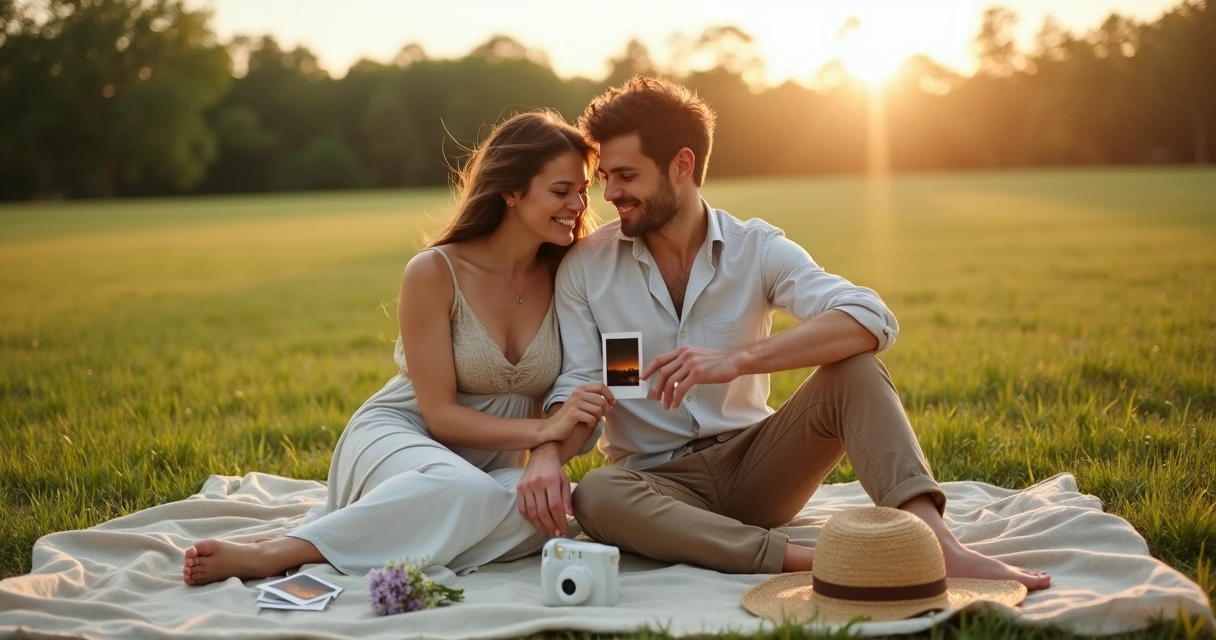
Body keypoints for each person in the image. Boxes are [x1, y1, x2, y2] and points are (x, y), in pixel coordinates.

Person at [534, 77, 1050, 590]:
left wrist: (737, 360)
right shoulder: (587, 268)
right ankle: (813, 562)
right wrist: (548, 454)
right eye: (606, 176)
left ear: (682, 166)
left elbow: (869, 316)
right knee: (597, 494)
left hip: (758, 466)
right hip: (656, 484)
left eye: (625, 175)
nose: (610, 193)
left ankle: (935, 547)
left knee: (855, 368)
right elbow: (579, 387)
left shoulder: (754, 248)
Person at [182, 110, 616, 585]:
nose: (578, 204)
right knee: (464, 490)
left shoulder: (568, 275)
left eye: (582, 189)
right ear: (511, 191)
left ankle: (392, 535)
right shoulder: (434, 272)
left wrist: (550, 445)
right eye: (561, 191)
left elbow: (586, 383)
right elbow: (441, 416)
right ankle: (282, 553)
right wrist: (541, 432)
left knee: (551, 512)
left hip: (488, 474)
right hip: (402, 436)